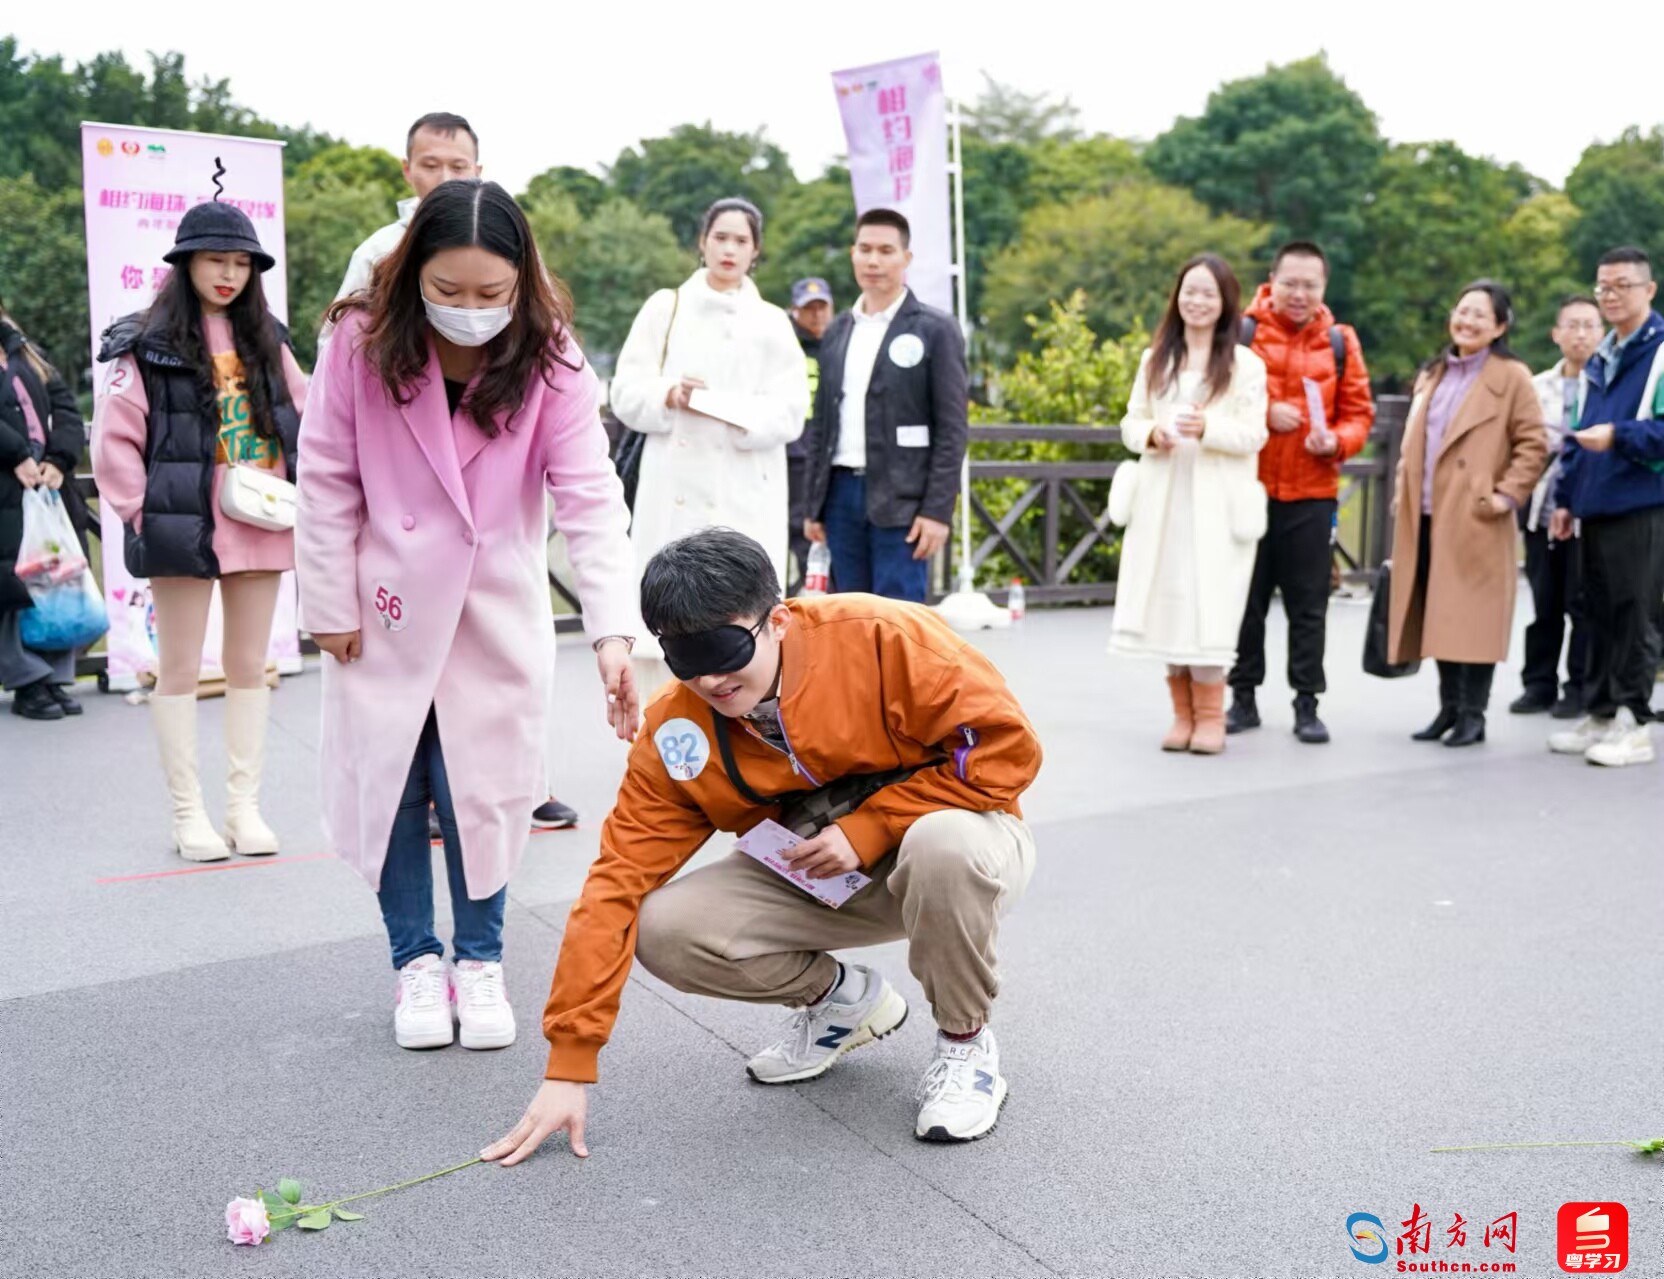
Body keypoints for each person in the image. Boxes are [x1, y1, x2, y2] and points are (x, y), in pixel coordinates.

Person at [481, 527, 1040, 1165]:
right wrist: (569, 1065)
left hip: (964, 848)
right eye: (686, 661)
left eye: (725, 649)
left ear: (776, 619)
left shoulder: (883, 637)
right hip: (820, 874)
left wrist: (872, 828)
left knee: (943, 846)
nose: (712, 679)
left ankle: (965, 1045)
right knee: (662, 925)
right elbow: (615, 883)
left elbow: (1006, 750)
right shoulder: (678, 732)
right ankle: (841, 1001)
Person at [297, 179, 640, 1052]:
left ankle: (480, 957)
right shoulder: (359, 340)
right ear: (413, 272)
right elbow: (327, 477)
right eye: (448, 291)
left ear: (522, 283)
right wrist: (328, 599)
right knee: (393, 786)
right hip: (385, 602)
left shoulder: (552, 357)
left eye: (492, 294)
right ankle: (415, 959)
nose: (470, 310)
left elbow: (591, 497)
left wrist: (612, 630)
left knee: (483, 787)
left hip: (494, 605)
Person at [91, 201, 307, 860]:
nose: (229, 274)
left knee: (250, 664)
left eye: (242, 262)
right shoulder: (146, 341)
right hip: (182, 519)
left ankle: (244, 807)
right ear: (185, 263)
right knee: (179, 666)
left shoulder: (266, 336)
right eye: (216, 259)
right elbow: (114, 440)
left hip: (261, 518)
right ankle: (189, 815)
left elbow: (309, 413)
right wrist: (142, 513)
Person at [609, 197, 808, 697]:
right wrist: (670, 394)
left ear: (755, 251)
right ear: (702, 241)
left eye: (741, 240)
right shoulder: (665, 306)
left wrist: (730, 410)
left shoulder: (772, 322)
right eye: (721, 236)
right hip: (675, 483)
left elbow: (791, 410)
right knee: (667, 620)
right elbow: (625, 392)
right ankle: (661, 737)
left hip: (745, 484)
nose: (729, 249)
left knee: (742, 619)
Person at [1109, 255, 1269, 755]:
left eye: (1207, 293)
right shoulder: (1155, 358)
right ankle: (1181, 714)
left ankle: (1210, 717)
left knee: (1210, 604)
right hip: (1163, 498)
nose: (1196, 301)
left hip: (1216, 505)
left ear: (1226, 304)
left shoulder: (1246, 366)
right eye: (1189, 291)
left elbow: (1254, 433)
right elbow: (1131, 422)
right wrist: (1154, 433)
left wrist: (1209, 429)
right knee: (1167, 599)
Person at [1225, 242, 1374, 744]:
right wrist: (1265, 414)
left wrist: (1337, 441)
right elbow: (1217, 398)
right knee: (1247, 601)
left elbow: (1359, 413)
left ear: (1324, 288)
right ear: (1271, 280)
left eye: (1311, 284)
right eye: (1290, 282)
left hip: (1313, 491)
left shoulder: (1339, 340)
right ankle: (1241, 697)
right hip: (1250, 487)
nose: (1299, 293)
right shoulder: (1242, 332)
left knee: (1309, 605)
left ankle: (1307, 703)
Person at [1387, 281, 1548, 747]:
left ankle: (1473, 715)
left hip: (1476, 515)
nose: (1468, 322)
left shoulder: (1512, 377)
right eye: (1463, 312)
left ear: (1499, 326)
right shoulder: (1434, 373)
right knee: (1439, 614)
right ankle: (1448, 709)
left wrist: (1506, 495)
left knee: (1472, 616)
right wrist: (1402, 489)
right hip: (1426, 513)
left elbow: (1533, 443)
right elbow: (1413, 443)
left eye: (1481, 315)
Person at [802, 209, 967, 603]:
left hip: (904, 500)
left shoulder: (934, 328)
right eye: (865, 249)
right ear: (852, 254)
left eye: (886, 250)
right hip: (840, 494)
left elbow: (952, 428)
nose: (874, 260)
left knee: (899, 619)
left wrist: (938, 511)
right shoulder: (839, 329)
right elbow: (822, 422)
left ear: (906, 258)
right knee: (848, 618)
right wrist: (814, 505)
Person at [1547, 247, 1664, 767]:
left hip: (1642, 499)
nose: (1611, 295)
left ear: (1649, 290)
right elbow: (1578, 430)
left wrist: (1619, 435)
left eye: (1621, 285)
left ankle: (1634, 722)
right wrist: (1567, 498)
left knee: (1635, 612)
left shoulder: (1659, 353)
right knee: (1592, 612)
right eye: (1602, 287)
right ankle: (1598, 711)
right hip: (1594, 500)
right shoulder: (1599, 355)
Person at [1511, 295, 1601, 717]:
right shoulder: (1536, 385)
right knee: (1544, 601)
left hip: (1590, 510)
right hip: (1541, 508)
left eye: (1589, 326)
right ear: (1556, 333)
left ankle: (1578, 686)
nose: (1581, 335)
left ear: (1601, 335)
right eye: (1573, 325)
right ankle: (1538, 684)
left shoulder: (1608, 386)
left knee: (1582, 603)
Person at [0, 300, 87, 720]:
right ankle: (26, 682)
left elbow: (67, 409)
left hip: (44, 490)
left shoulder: (25, 351)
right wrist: (15, 453)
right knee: (12, 589)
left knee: (55, 580)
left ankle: (53, 677)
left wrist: (60, 459)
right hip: (6, 487)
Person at [331, 112, 482, 306]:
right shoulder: (377, 252)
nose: (445, 180)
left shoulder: (507, 243)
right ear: (407, 170)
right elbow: (339, 332)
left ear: (477, 172)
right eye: (430, 166)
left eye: (458, 167)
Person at [785, 277, 832, 594]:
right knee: (793, 527)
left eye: (821, 308)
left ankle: (815, 594)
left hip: (823, 453)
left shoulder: (837, 343)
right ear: (794, 310)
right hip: (789, 450)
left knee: (814, 533)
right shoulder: (785, 344)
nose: (815, 315)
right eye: (808, 309)